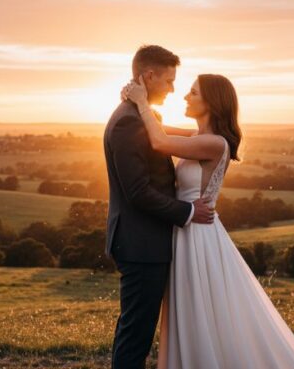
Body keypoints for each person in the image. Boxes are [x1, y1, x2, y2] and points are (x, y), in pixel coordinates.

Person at [121, 71, 294, 369]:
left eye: (193, 92)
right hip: (187, 230)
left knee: (199, 308)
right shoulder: (201, 137)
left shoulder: (214, 144)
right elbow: (162, 130)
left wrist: (140, 102)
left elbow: (160, 142)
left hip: (197, 236)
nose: (185, 97)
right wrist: (143, 111)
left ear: (212, 102)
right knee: (191, 309)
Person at [104, 45, 216, 369]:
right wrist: (189, 212)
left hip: (146, 243)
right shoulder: (128, 122)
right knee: (136, 334)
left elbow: (170, 137)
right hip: (141, 245)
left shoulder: (142, 115)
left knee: (134, 328)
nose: (172, 89)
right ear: (149, 76)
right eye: (168, 81)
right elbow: (137, 191)